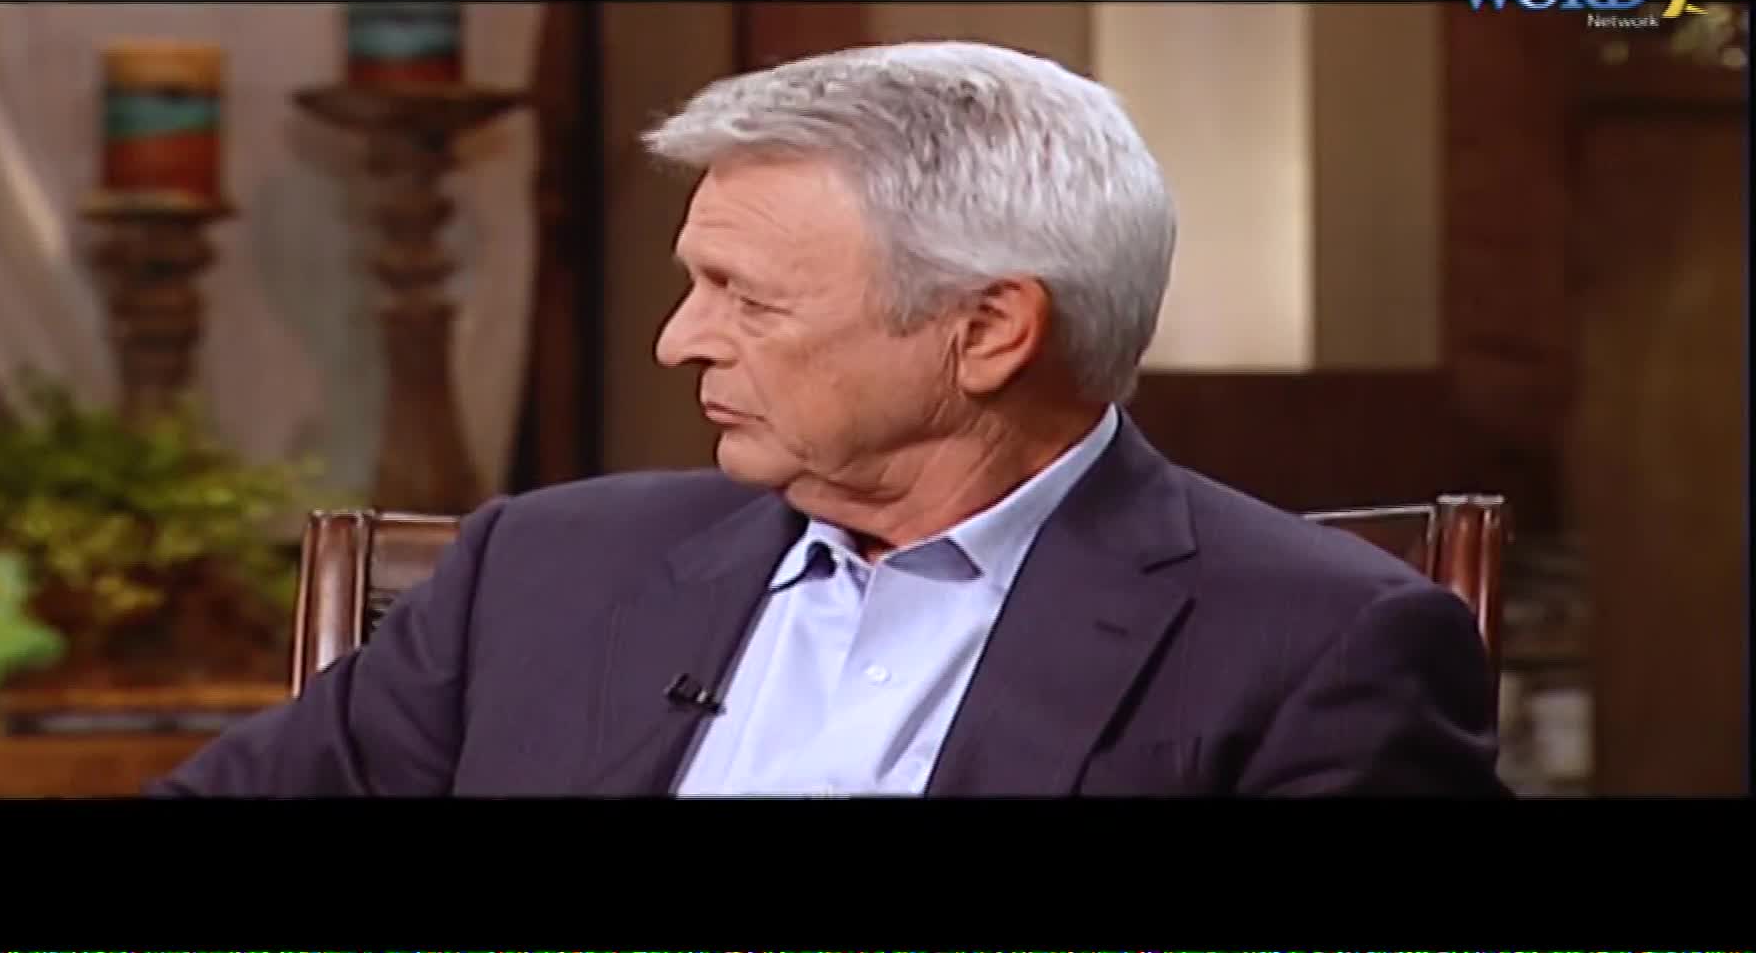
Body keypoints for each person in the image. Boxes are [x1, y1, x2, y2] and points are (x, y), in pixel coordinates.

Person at [149, 40, 1507, 797]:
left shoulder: (1321, 647)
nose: (681, 342)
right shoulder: (542, 571)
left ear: (988, 332)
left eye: (746, 298)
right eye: (694, 285)